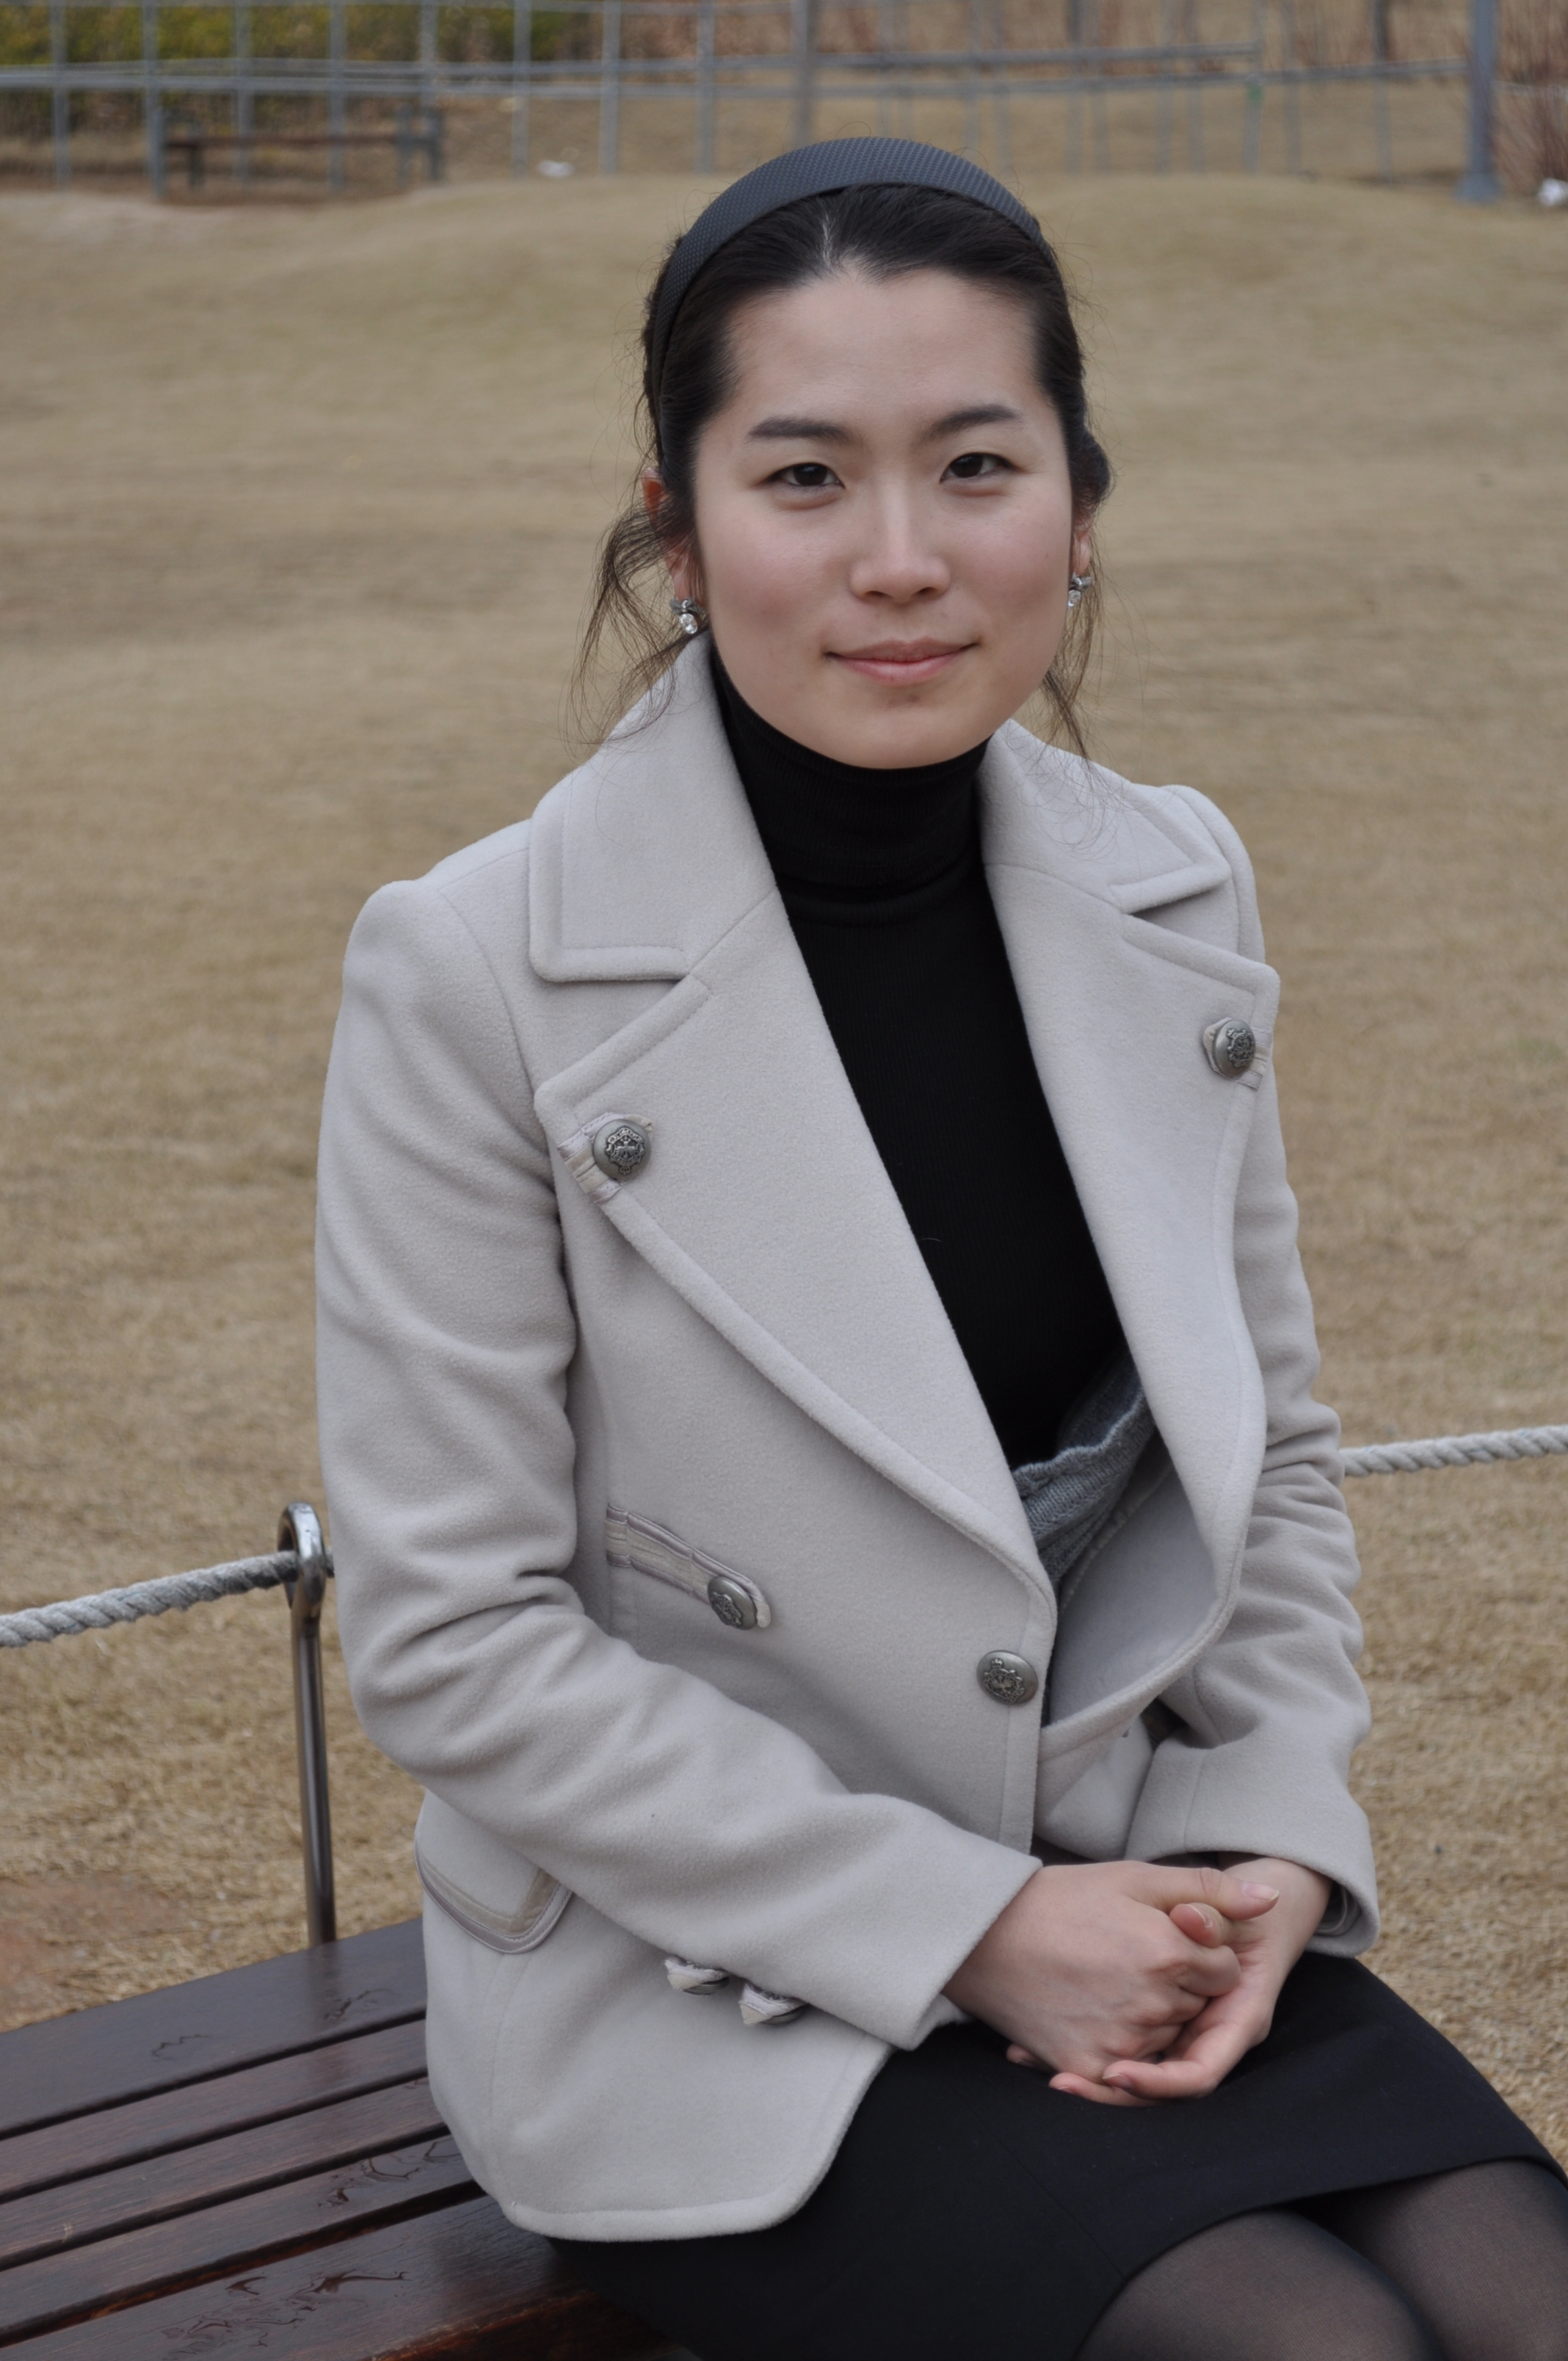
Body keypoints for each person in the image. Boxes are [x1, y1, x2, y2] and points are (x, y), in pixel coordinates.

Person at [315, 139, 1568, 2361]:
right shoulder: (475, 966)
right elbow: (457, 1640)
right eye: (804, 476)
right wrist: (971, 1926)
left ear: (1078, 505)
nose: (900, 559)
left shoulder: (1170, 880)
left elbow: (1266, 1456)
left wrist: (1272, 1836)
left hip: (1132, 1889)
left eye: (977, 465)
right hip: (699, 1979)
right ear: (677, 524)